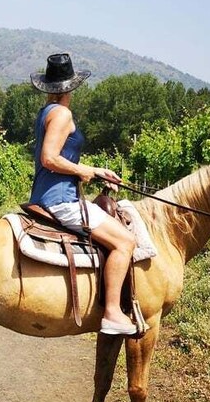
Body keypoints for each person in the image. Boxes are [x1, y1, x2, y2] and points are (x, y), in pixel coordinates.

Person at [29, 53, 138, 335]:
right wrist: (82, 170)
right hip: (61, 200)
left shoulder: (46, 112)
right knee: (125, 241)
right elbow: (49, 158)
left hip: (50, 195)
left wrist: (97, 171)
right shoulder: (63, 114)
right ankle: (113, 312)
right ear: (70, 87)